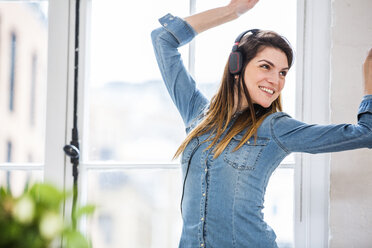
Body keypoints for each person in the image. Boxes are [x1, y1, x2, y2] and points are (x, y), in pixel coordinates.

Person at [151, 0, 372, 247]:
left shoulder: (275, 128)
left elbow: (366, 134)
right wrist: (230, 11)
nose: (275, 80)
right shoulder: (197, 113)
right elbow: (163, 39)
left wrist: (369, 90)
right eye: (265, 66)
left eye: (283, 72)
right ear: (237, 66)